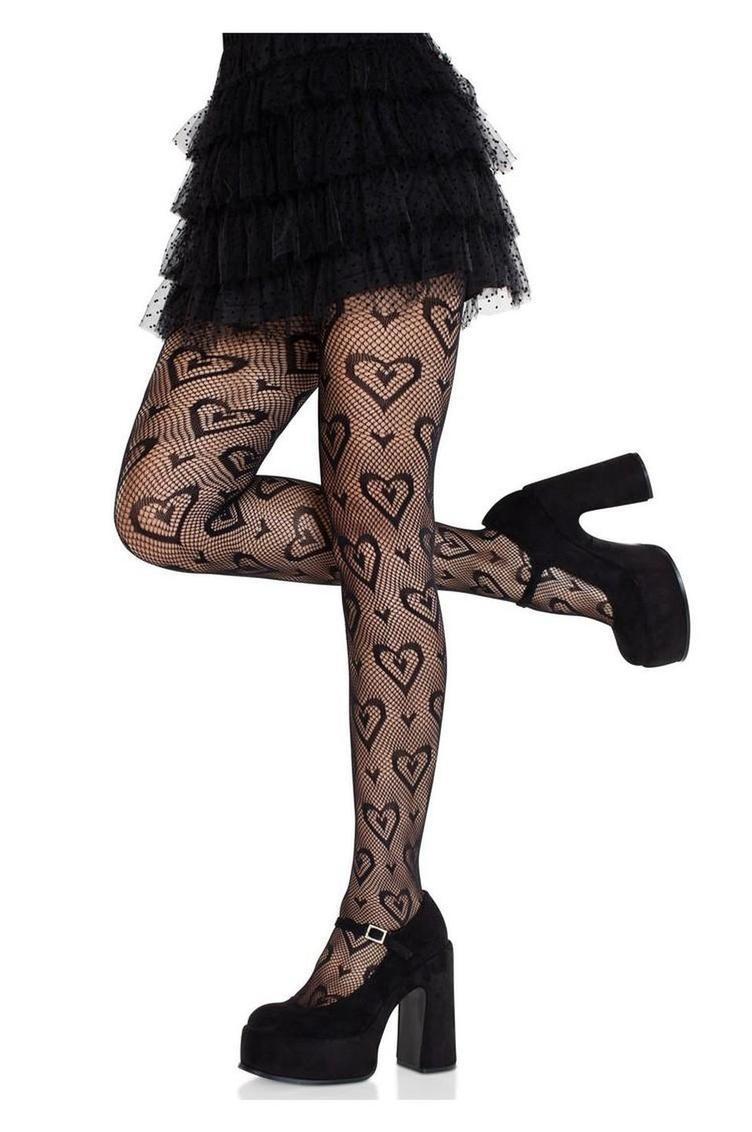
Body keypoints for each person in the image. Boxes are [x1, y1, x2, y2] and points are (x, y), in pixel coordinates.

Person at [114, 33, 689, 1084]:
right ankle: (537, 562)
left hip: (380, 130)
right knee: (167, 512)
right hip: (262, 148)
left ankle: (384, 917)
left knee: (381, 528)